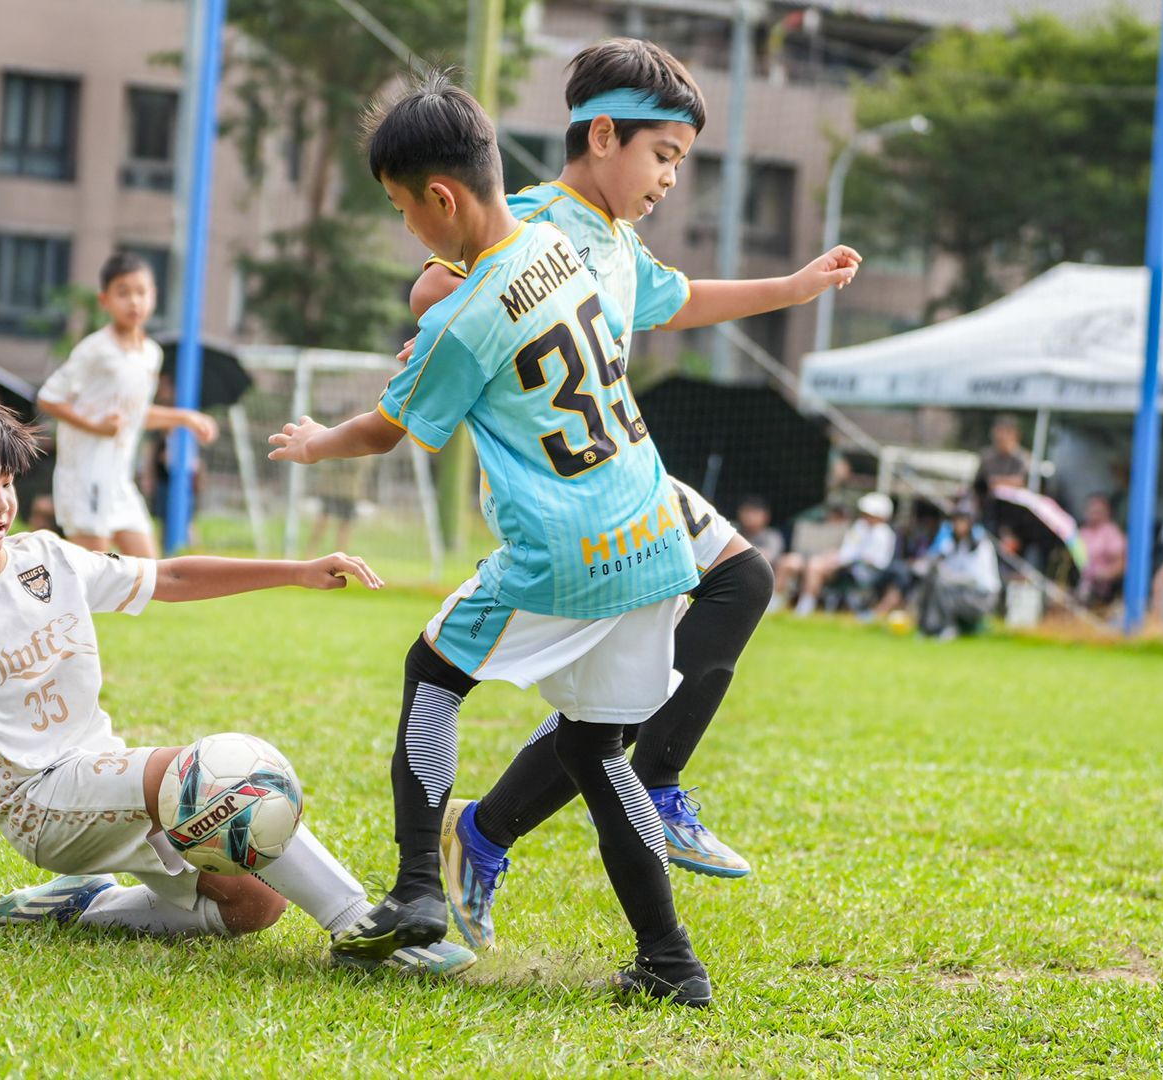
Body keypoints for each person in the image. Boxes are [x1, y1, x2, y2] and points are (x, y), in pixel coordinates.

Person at [270, 73, 712, 1005]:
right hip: (654, 536)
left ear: (441, 197)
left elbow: (386, 432)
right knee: (597, 748)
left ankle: (417, 892)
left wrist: (314, 442)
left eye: (402, 210)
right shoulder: (557, 245)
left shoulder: (462, 319)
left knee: (432, 673)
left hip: (564, 553)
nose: (408, 230)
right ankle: (672, 963)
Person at [402, 38, 860, 893]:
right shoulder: (533, 217)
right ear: (603, 134)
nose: (672, 178)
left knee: (742, 579)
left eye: (682, 162)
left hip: (622, 475)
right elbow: (432, 284)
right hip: (563, 496)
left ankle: (607, 796)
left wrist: (793, 288)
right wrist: (463, 315)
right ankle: (554, 812)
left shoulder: (618, 241)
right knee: (600, 717)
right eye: (664, 155)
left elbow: (678, 299)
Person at [0, 391, 473, 979]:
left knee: (254, 906)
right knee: (216, 777)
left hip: (105, 772)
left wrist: (297, 571)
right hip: (38, 805)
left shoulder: (45, 558)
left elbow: (168, 577)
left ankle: (82, 907)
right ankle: (365, 928)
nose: (2, 501)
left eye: (6, 482)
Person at [38, 253, 218, 557]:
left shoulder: (151, 354)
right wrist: (96, 426)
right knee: (94, 575)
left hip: (120, 481)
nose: (134, 301)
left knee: (150, 571)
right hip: (84, 480)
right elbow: (48, 398)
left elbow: (135, 415)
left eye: (141, 292)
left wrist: (186, 418)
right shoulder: (94, 350)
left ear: (154, 296)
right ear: (104, 300)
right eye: (123, 293)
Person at [776, 491, 896, 615]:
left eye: (870, 514)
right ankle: (773, 604)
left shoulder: (884, 534)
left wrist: (842, 561)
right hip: (840, 564)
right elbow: (847, 550)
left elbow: (877, 561)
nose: (866, 516)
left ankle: (804, 608)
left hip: (857, 572)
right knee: (790, 562)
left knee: (814, 566)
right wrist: (835, 557)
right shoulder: (860, 526)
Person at [914, 503, 1000, 639]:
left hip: (982, 597)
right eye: (955, 521)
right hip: (961, 592)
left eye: (961, 521)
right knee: (932, 579)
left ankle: (948, 627)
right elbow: (938, 561)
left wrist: (948, 577)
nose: (957, 525)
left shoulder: (981, 546)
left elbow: (974, 580)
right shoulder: (954, 544)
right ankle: (927, 628)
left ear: (970, 523)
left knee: (942, 584)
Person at [1076, 494, 1126, 608]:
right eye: (1091, 510)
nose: (1094, 514)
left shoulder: (1111, 532)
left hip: (1101, 588)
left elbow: (1121, 563)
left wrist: (1101, 574)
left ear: (1107, 512)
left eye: (1098, 511)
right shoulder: (1081, 532)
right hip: (1079, 582)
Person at [975, 414, 1030, 493]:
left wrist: (997, 481)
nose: (999, 438)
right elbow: (978, 483)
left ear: (1014, 435)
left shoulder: (1022, 458)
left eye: (1002, 436)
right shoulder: (987, 457)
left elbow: (1022, 482)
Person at [734, 495, 785, 565]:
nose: (750, 517)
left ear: (766, 516)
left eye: (755, 512)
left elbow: (767, 558)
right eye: (747, 511)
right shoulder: (732, 531)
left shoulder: (772, 535)